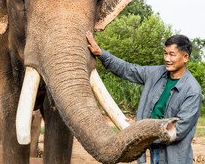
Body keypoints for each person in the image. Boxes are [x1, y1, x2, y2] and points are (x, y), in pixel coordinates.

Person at [86, 32, 202, 164]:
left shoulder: (192, 91)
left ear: (185, 57)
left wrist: (141, 131)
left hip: (174, 157)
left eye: (172, 54)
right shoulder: (156, 73)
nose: (166, 58)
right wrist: (101, 53)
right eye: (165, 53)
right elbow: (127, 69)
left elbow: (177, 130)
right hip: (154, 148)